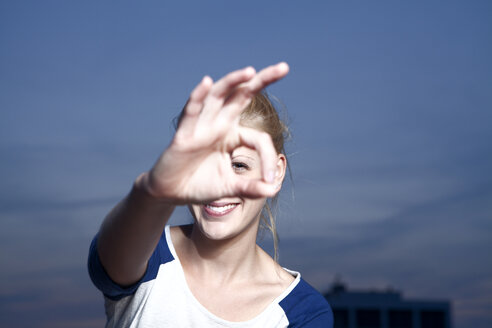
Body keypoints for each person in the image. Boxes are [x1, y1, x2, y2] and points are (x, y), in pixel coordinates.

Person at [88, 62, 333, 327]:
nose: (218, 184)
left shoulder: (302, 312)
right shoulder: (149, 253)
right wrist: (154, 192)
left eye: (239, 165)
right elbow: (106, 265)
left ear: (275, 172)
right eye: (202, 163)